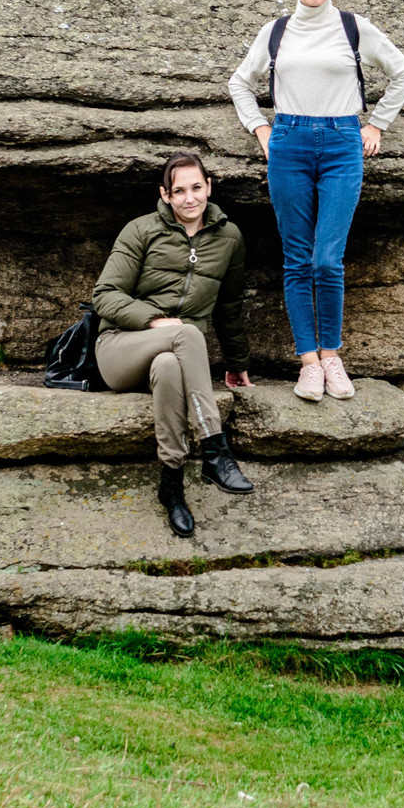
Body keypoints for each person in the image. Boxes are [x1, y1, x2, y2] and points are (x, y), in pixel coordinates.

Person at [227, 0, 404, 403]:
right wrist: (261, 129)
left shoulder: (354, 28)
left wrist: (377, 124)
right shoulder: (275, 32)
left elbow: (403, 72)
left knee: (327, 259)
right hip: (289, 141)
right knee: (297, 259)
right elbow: (240, 82)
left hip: (341, 143)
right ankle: (308, 362)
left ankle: (332, 355)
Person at [92, 152, 254, 537]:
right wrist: (154, 320)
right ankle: (214, 448)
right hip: (120, 349)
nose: (189, 198)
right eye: (179, 191)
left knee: (167, 364)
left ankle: (172, 483)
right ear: (165, 194)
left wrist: (237, 362)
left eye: (196, 187)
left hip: (174, 359)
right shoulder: (141, 230)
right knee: (187, 333)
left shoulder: (229, 238)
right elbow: (105, 295)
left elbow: (229, 306)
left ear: (209, 187)